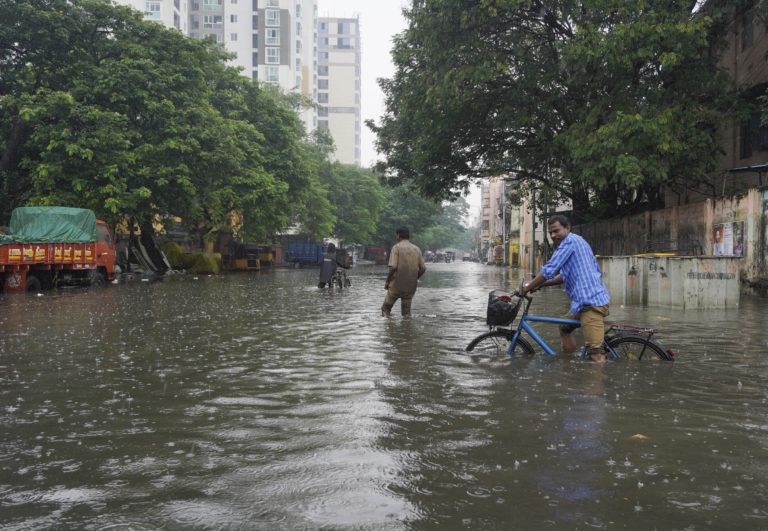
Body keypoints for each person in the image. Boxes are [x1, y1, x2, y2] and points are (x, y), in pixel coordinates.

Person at [518, 215, 610, 362]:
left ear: (567, 228)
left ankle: (596, 383)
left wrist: (527, 288)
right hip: (582, 303)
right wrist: (540, 284)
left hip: (591, 303)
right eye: (550, 233)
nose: (553, 236)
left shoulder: (569, 243)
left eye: (556, 231)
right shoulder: (577, 241)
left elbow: (548, 270)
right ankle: (568, 366)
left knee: (596, 355)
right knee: (564, 328)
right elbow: (562, 276)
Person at [382, 226, 427, 316]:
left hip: (396, 285)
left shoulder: (396, 248)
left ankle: (388, 327)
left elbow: (393, 267)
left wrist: (387, 281)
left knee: (386, 308)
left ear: (398, 235)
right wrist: (415, 278)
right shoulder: (416, 249)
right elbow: (423, 268)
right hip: (410, 286)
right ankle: (406, 328)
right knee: (406, 313)